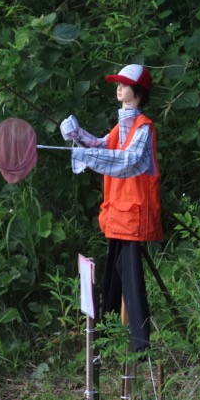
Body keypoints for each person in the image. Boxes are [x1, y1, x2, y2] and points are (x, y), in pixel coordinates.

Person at [60, 63, 163, 352]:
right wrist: (77, 135)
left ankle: (140, 346)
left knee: (131, 277)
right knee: (112, 277)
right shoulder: (122, 126)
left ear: (138, 92)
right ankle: (105, 339)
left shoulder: (144, 128)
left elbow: (126, 161)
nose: (119, 88)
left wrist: (87, 156)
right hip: (118, 214)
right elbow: (103, 146)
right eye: (117, 83)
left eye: (124, 84)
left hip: (134, 215)